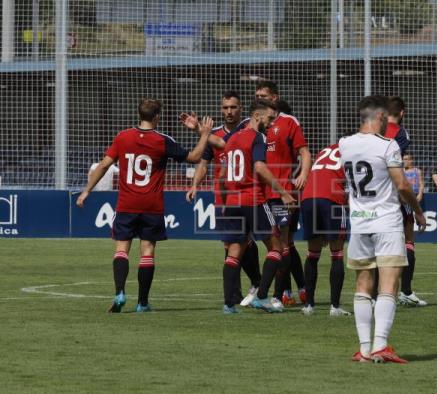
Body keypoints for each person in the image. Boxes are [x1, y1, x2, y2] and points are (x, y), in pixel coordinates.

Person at [76, 98, 216, 313]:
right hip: (151, 205)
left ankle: (120, 292)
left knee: (122, 248)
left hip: (126, 203)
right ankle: (142, 302)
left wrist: (87, 191)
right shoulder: (162, 140)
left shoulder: (123, 137)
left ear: (138, 115)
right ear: (157, 117)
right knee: (147, 251)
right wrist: (204, 133)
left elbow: (104, 165)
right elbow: (195, 157)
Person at [339, 95, 426, 364]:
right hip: (386, 221)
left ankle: (364, 349)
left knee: (363, 285)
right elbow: (401, 185)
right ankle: (380, 346)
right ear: (379, 118)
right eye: (386, 119)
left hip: (360, 222)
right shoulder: (388, 146)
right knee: (389, 284)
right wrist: (418, 211)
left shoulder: (345, 144)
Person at [219, 99, 295, 314]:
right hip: (253, 200)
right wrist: (283, 193)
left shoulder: (232, 139)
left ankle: (228, 305)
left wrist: (226, 203)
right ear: (257, 116)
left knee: (234, 252)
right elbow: (260, 167)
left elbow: (223, 175)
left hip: (233, 201)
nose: (270, 124)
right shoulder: (258, 137)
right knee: (277, 248)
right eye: (269, 119)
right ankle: (261, 297)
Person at [185, 90, 261, 305]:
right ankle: (238, 292)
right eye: (225, 108)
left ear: (240, 108)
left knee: (242, 242)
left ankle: (256, 282)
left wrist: (200, 130)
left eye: (233, 107)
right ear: (221, 109)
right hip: (223, 197)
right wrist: (194, 185)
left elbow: (227, 145)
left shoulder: (249, 127)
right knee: (230, 246)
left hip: (247, 193)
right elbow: (204, 163)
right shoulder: (214, 133)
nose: (229, 111)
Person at [255, 80, 312, 306]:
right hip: (261, 194)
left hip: (283, 193)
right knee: (279, 244)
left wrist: (303, 175)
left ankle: (279, 296)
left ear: (275, 98)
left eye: (263, 95)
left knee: (283, 243)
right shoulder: (254, 125)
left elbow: (304, 153)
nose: (258, 97)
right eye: (257, 94)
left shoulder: (288, 122)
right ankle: (300, 288)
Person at [385, 97, 427, 307]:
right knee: (408, 238)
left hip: (373, 193)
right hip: (394, 188)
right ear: (402, 113)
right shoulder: (401, 133)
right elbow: (395, 161)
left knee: (378, 244)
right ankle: (406, 292)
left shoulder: (375, 130)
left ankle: (375, 295)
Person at [300, 142, 351, 316]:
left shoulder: (325, 150)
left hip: (308, 197)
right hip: (331, 198)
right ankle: (335, 307)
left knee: (312, 253)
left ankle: (309, 305)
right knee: (336, 252)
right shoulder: (354, 150)